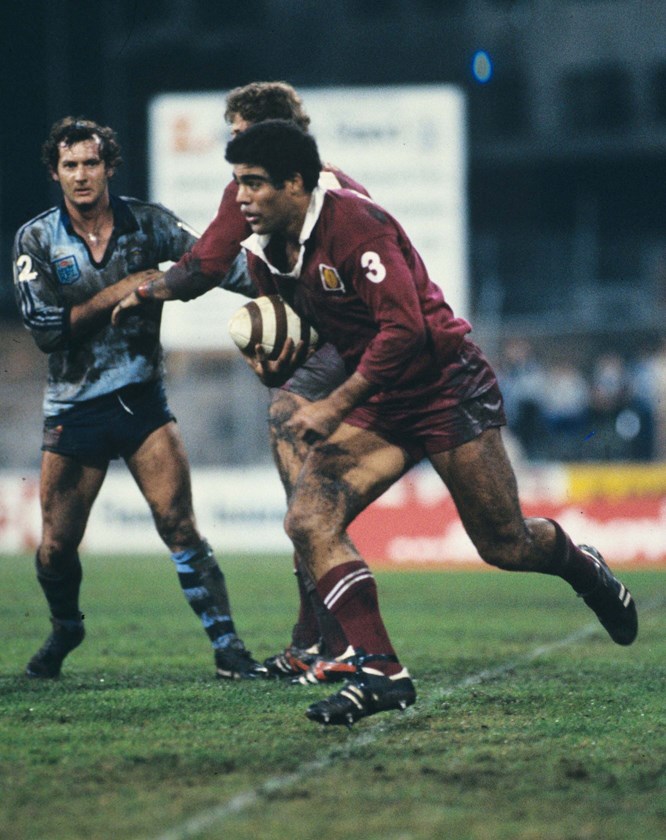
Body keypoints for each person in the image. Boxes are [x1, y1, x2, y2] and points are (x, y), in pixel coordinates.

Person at [223, 119, 639, 726]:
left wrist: (334, 406)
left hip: (446, 387)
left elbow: (406, 330)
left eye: (254, 183)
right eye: (237, 182)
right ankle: (381, 672)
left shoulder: (354, 224)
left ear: (295, 183)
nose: (240, 197)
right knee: (308, 519)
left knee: (504, 544)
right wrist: (276, 365)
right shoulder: (266, 253)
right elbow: (325, 334)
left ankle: (584, 567)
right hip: (384, 402)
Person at [113, 82, 369, 683]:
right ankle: (315, 639)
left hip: (356, 348)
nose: (232, 151)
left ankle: (334, 642)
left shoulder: (272, 191)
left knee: (306, 500)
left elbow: (204, 263)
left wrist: (147, 291)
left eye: (237, 134)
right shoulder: (338, 183)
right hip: (359, 344)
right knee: (310, 505)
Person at [12, 116, 265, 680]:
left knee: (180, 526)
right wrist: (125, 288)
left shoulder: (150, 223)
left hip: (141, 402)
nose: (81, 175)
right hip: (74, 409)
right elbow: (48, 332)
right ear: (55, 173)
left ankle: (229, 650)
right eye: (70, 165)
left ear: (109, 167)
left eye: (91, 163)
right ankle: (66, 627)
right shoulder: (36, 239)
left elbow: (217, 261)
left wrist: (287, 288)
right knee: (55, 549)